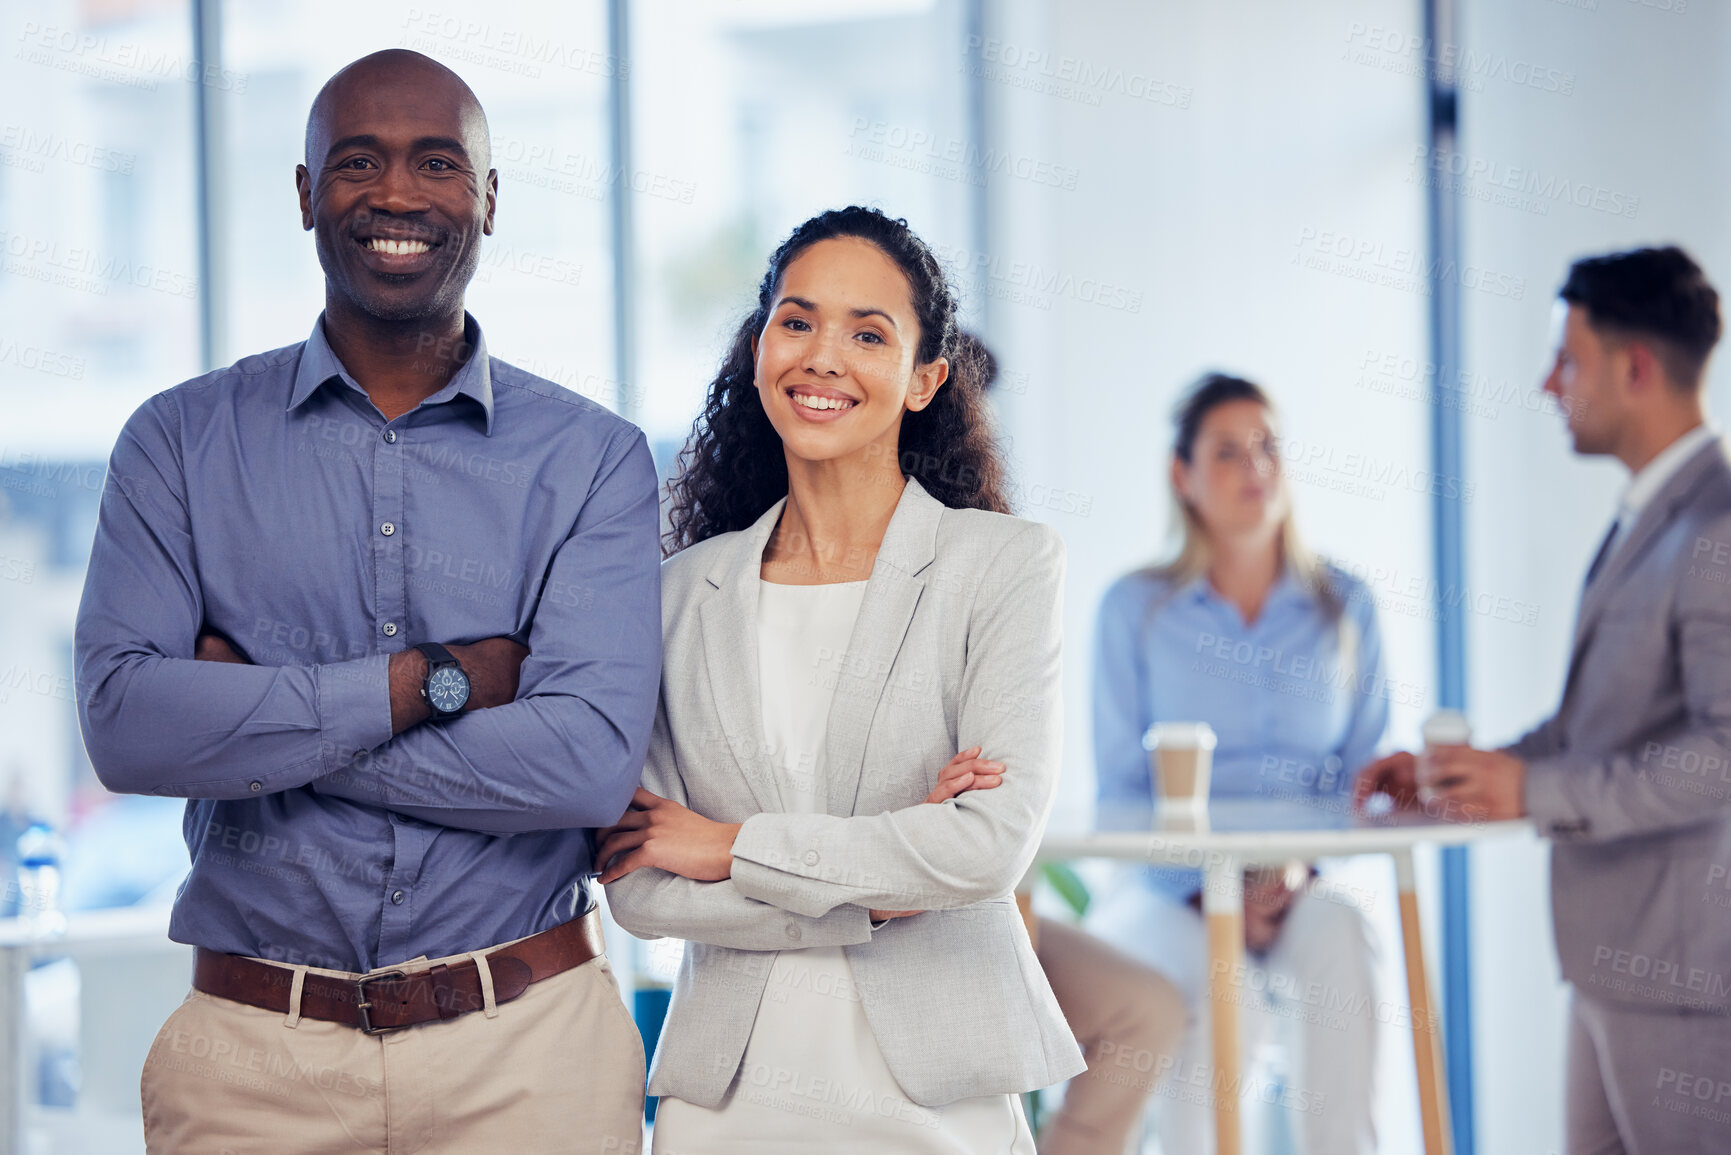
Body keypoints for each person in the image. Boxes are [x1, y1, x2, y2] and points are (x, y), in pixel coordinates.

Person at [73, 50, 660, 1153]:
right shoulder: (178, 443)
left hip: (528, 1057)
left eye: (438, 163)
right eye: (358, 163)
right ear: (305, 195)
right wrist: (432, 684)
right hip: (252, 1062)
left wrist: (256, 719)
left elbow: (584, 761)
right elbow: (125, 728)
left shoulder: (592, 461)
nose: (397, 196)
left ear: (487, 200)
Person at [597, 206, 1085, 1152]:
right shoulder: (676, 595)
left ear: (923, 379)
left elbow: (985, 850)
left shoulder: (1004, 565)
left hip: (936, 1099)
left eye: (869, 334)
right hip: (730, 1102)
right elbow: (642, 888)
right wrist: (895, 880)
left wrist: (728, 845)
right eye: (797, 320)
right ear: (759, 350)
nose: (823, 355)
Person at [1358, 245, 1731, 1154]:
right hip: (1613, 965)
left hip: (1683, 975)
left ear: (1634, 368)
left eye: (1567, 359)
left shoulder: (1715, 524)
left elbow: (1722, 751)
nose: (1545, 383)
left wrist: (1536, 794)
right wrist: (1468, 774)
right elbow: (1588, 729)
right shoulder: (1646, 517)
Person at [1087, 373, 1388, 1154]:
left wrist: (1294, 872)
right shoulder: (1135, 609)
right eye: (1227, 451)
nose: (1255, 466)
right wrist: (1201, 888)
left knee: (1347, 944)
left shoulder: (1345, 607)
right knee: (1226, 1002)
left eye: (1267, 446)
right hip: (1166, 886)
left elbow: (1364, 780)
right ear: (1181, 476)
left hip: (1298, 882)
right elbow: (1120, 791)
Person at [956, 329, 1190, 1155]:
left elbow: (1008, 765)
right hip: (912, 907)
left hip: (995, 896)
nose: (973, 435)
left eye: (977, 415)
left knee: (1145, 1011)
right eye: (963, 412)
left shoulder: (1002, 555)